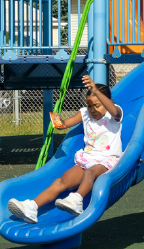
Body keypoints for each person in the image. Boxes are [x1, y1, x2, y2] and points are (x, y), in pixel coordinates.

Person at [8, 75, 123, 223]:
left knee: (90, 173)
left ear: (107, 103)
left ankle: (77, 200)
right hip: (88, 158)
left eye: (97, 105)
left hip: (108, 160)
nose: (93, 109)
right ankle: (32, 207)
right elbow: (65, 123)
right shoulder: (85, 113)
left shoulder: (113, 113)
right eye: (89, 105)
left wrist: (95, 89)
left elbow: (114, 111)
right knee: (60, 181)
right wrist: (58, 122)